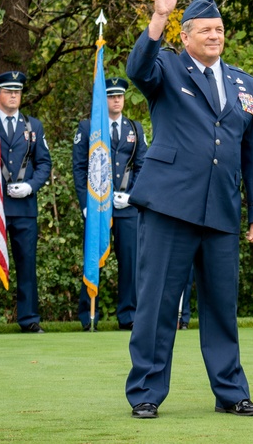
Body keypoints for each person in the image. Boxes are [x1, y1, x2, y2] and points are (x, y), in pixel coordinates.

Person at [124, 0, 253, 419]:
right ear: (185, 36)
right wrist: (158, 17)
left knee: (222, 307)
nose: (215, 35)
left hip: (222, 210)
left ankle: (231, 392)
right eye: (206, 29)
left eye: (220, 29)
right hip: (170, 205)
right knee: (158, 305)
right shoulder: (167, 67)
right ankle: (146, 393)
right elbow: (136, 70)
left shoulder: (245, 85)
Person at [0, 70, 52, 334]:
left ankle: (29, 318)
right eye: (8, 91)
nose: (13, 95)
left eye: (17, 92)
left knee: (27, 262)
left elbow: (44, 163)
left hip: (24, 207)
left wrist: (31, 186)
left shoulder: (33, 126)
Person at [72, 76, 147, 331]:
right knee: (93, 258)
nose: (116, 100)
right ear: (103, 99)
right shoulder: (89, 127)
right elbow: (80, 169)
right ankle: (88, 316)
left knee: (130, 264)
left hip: (127, 207)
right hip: (98, 207)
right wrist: (85, 204)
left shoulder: (135, 129)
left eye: (120, 96)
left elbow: (143, 166)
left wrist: (132, 196)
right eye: (111, 96)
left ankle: (128, 316)